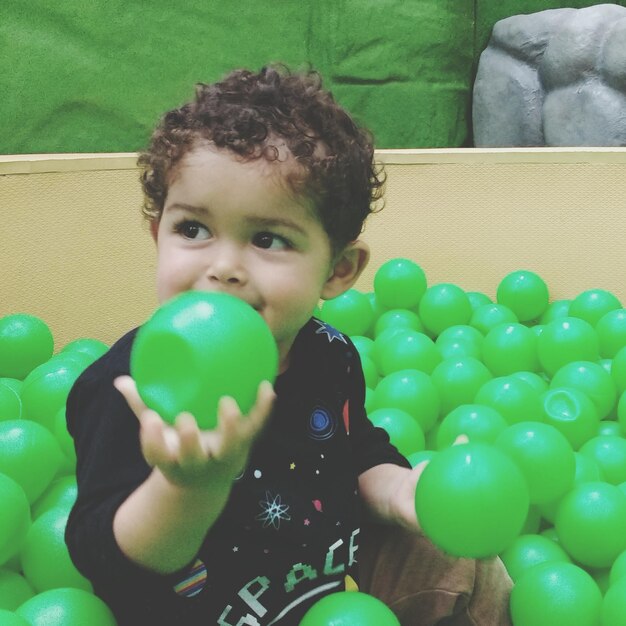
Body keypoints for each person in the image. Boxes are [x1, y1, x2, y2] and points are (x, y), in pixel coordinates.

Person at [65, 65, 512, 626]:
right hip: (211, 613)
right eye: (193, 229)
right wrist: (188, 487)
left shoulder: (329, 354)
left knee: (465, 558)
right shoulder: (128, 388)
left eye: (268, 238)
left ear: (338, 270)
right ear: (158, 234)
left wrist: (404, 494)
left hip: (326, 585)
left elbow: (357, 454)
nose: (223, 267)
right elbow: (104, 558)